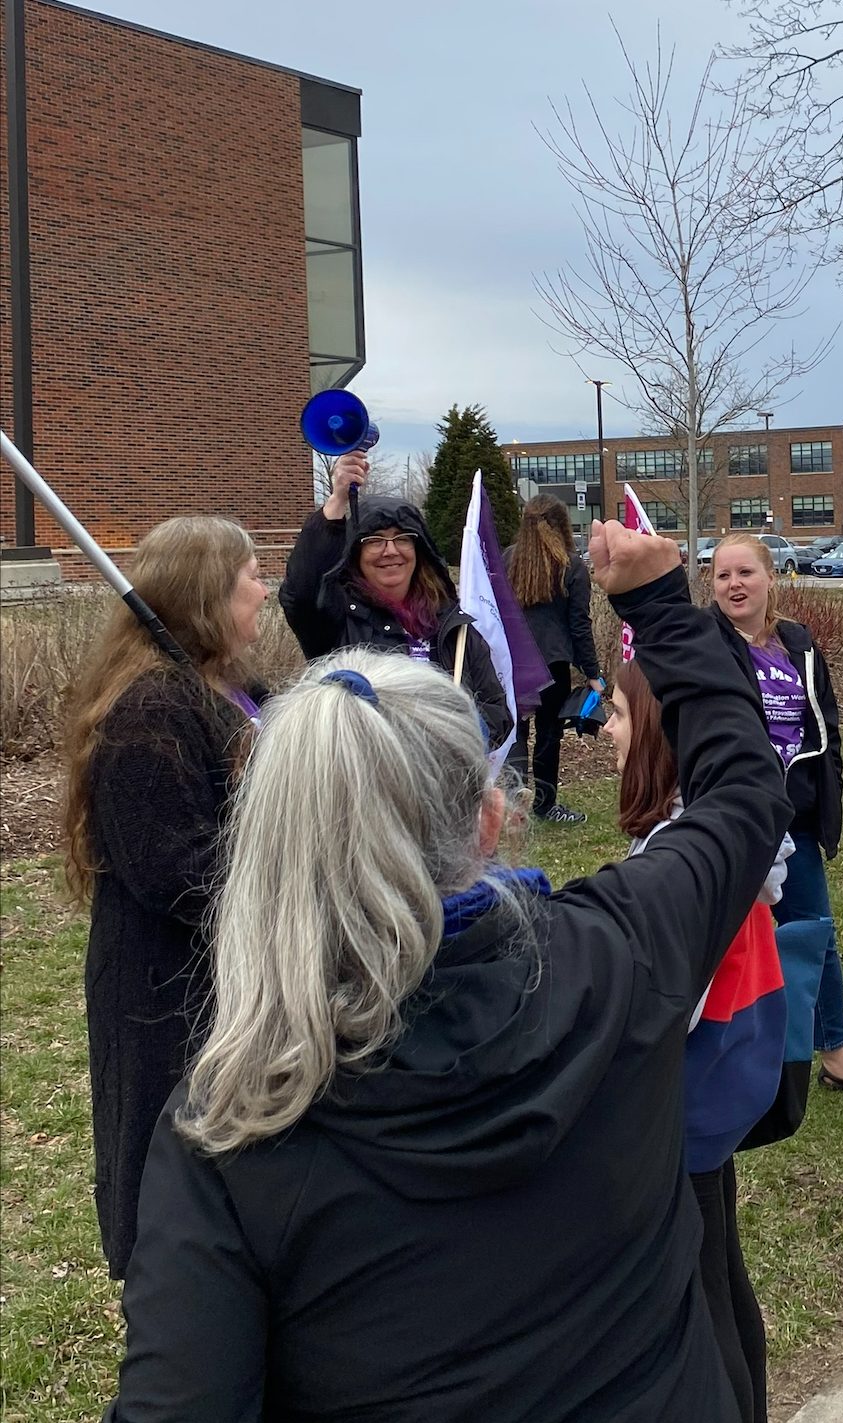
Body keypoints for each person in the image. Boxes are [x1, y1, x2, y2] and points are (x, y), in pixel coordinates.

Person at [95, 524, 794, 1423]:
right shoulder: (623, 953)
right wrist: (658, 607)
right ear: (489, 821)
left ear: (265, 846)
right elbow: (744, 797)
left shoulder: (232, 1132)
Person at [608, 653, 793, 1423]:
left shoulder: (673, 857)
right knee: (722, 1265)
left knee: (701, 1279)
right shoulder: (719, 836)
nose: (605, 729)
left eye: (615, 713)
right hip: (719, 1094)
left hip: (681, 1100)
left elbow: (664, 1001)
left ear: (654, 733)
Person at [60, 517, 267, 1281]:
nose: (263, 588)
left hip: (231, 977)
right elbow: (174, 870)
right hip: (167, 991)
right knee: (170, 1165)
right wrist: (285, 886)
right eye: (250, 574)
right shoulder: (151, 710)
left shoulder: (228, 687)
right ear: (207, 589)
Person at [711, 532, 843, 1101]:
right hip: (731, 816)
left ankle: (836, 1052)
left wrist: (827, 807)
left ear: (771, 577)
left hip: (793, 818)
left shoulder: (797, 641)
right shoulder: (706, 643)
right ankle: (717, 1052)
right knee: (717, 936)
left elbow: (826, 726)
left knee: (813, 933)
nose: (735, 585)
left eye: (746, 572)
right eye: (723, 576)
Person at [279, 450, 511, 746]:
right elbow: (301, 594)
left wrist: (463, 733)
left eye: (402, 539)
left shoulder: (453, 626)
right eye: (375, 541)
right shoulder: (337, 622)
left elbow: (496, 711)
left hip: (448, 782)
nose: (391, 551)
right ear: (356, 554)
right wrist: (337, 500)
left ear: (419, 550)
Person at [506, 494, 603, 823]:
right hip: (552, 663)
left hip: (513, 660)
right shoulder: (570, 566)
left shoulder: (508, 561)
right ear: (561, 525)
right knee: (549, 734)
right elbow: (579, 625)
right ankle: (546, 806)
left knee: (515, 731)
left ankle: (512, 802)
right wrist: (593, 672)